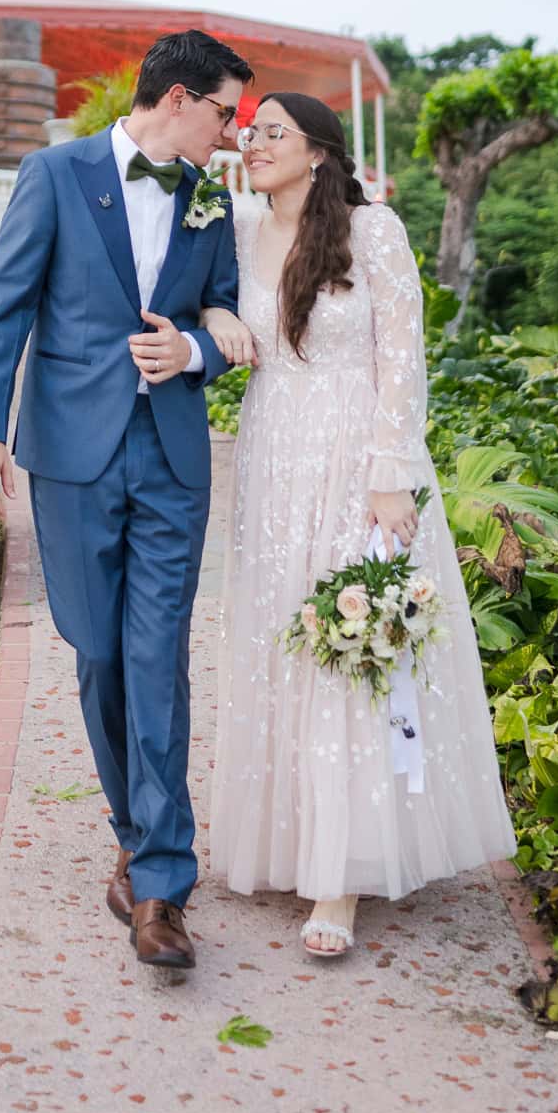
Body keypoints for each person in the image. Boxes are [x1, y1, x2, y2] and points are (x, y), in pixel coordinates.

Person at [0, 29, 254, 971]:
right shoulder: (54, 174)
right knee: (99, 654)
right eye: (225, 112)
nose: (232, 133)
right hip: (73, 458)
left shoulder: (211, 200)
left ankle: (163, 882)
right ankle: (134, 832)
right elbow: (3, 310)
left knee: (156, 650)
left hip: (170, 454)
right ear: (177, 100)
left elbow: (225, 312)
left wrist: (197, 351)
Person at [202, 92, 515, 957]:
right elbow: (204, 308)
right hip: (272, 463)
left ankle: (339, 881)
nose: (253, 143)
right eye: (250, 131)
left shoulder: (372, 232)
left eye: (273, 132)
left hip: (354, 463)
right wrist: (218, 314)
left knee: (346, 646)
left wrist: (391, 476)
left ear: (318, 152)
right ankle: (292, 844)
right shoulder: (233, 232)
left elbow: (402, 361)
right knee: (281, 643)